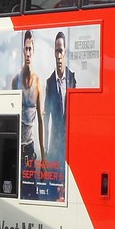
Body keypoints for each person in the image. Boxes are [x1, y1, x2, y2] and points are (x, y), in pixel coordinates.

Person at [11, 30, 45, 166]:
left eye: (30, 49)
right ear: (23, 51)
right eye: (26, 49)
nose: (28, 53)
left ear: (34, 51)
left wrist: (43, 158)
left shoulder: (37, 82)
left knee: (31, 186)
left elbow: (41, 121)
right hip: (17, 146)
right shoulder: (15, 81)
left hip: (30, 147)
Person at [44, 31, 75, 164]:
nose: (58, 56)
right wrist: (45, 147)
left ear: (65, 52)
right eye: (56, 51)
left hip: (70, 146)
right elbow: (45, 119)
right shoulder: (49, 83)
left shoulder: (72, 79)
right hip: (54, 148)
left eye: (61, 51)